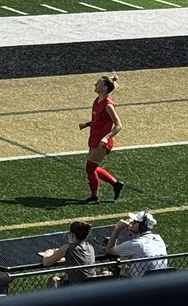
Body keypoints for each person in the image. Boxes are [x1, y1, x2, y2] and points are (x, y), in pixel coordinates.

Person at [81, 74, 125, 203]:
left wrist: (106, 137)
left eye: (98, 83)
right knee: (92, 167)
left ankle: (94, 196)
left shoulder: (108, 105)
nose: (95, 84)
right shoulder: (97, 101)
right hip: (94, 137)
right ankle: (115, 184)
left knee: (90, 168)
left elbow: (118, 125)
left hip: (102, 142)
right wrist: (87, 124)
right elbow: (98, 120)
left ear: (105, 87)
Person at [107, 211, 168, 276]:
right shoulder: (159, 239)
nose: (132, 223)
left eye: (135, 222)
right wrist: (133, 227)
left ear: (141, 226)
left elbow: (109, 250)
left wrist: (118, 228)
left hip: (140, 281)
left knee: (106, 273)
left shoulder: (137, 244)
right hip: (159, 280)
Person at [41, 221, 98, 287]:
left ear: (72, 235)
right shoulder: (90, 246)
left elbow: (46, 262)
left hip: (76, 288)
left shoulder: (67, 248)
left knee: (53, 280)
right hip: (91, 285)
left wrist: (49, 252)